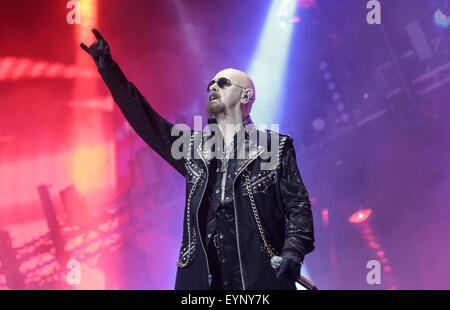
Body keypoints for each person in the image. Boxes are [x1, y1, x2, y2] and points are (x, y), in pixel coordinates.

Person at [81, 29, 314, 290]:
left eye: (223, 83)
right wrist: (111, 74)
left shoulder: (274, 146)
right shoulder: (194, 147)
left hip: (258, 277)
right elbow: (147, 123)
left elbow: (298, 207)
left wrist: (293, 251)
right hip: (204, 282)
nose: (213, 87)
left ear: (247, 96)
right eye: (210, 85)